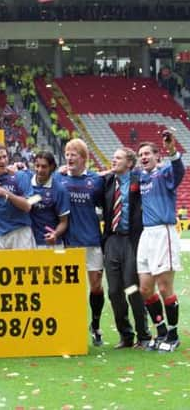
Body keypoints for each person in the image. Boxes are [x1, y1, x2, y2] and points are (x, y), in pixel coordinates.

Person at [136, 132, 185, 352]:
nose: (143, 157)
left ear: (157, 156)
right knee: (146, 288)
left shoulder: (165, 173)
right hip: (146, 235)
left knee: (165, 287)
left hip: (163, 233)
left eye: (147, 153)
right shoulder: (141, 176)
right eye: (140, 154)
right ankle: (161, 331)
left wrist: (171, 149)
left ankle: (173, 335)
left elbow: (179, 170)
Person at [56, 138, 105, 346]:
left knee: (96, 287)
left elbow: (105, 203)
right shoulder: (58, 180)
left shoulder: (96, 180)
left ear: (84, 158)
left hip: (92, 240)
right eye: (67, 153)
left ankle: (95, 325)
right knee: (70, 288)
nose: (69, 157)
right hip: (68, 242)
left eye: (73, 154)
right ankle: (70, 327)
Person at [100, 147, 151, 349]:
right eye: (113, 158)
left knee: (132, 287)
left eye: (118, 158)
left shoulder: (140, 180)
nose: (114, 161)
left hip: (132, 239)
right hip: (112, 239)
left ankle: (144, 334)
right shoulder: (107, 181)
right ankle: (126, 335)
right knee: (114, 291)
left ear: (129, 163)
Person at [0, 142, 35, 250]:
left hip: (19, 232)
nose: (3, 161)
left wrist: (5, 193)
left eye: (5, 157)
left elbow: (28, 206)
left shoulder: (19, 176)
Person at [25, 151, 70, 248]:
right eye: (37, 166)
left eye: (44, 166)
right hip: (29, 242)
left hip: (53, 243)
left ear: (52, 167)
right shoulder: (26, 183)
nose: (40, 170)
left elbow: (64, 222)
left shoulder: (60, 190)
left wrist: (55, 234)